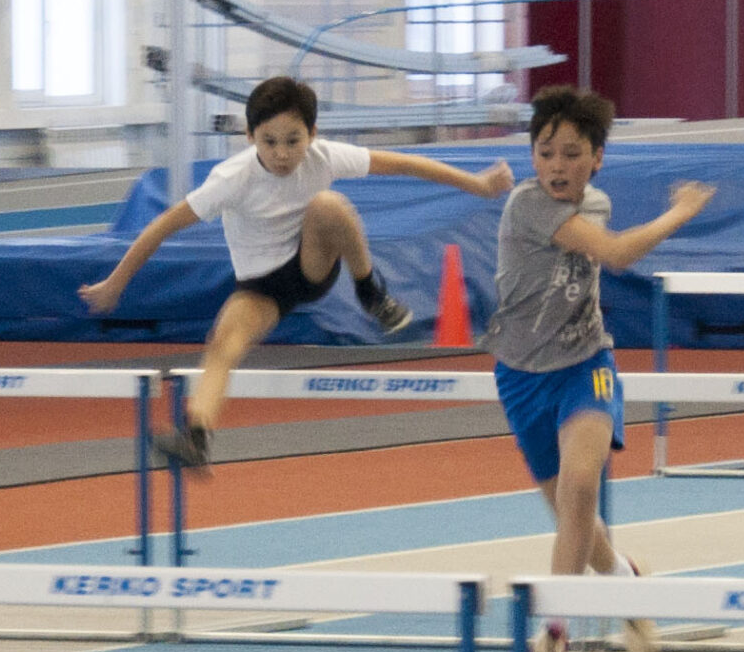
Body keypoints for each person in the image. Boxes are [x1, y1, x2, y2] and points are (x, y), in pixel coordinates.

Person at [81, 74, 513, 469]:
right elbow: (163, 225)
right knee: (223, 343)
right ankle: (196, 436)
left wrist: (477, 184)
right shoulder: (231, 178)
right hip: (260, 287)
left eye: (293, 140)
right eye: (269, 142)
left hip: (311, 264)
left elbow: (405, 164)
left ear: (313, 133)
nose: (282, 154)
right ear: (250, 136)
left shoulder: (323, 157)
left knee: (328, 205)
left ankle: (370, 293)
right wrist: (115, 284)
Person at [498, 85, 713, 652]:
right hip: (521, 376)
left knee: (579, 486)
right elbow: (616, 254)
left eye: (572, 154)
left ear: (597, 158)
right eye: (545, 153)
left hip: (586, 365)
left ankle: (554, 630)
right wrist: (679, 213)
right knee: (573, 515)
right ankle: (623, 578)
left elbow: (605, 255)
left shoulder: (597, 202)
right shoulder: (526, 205)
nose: (556, 166)